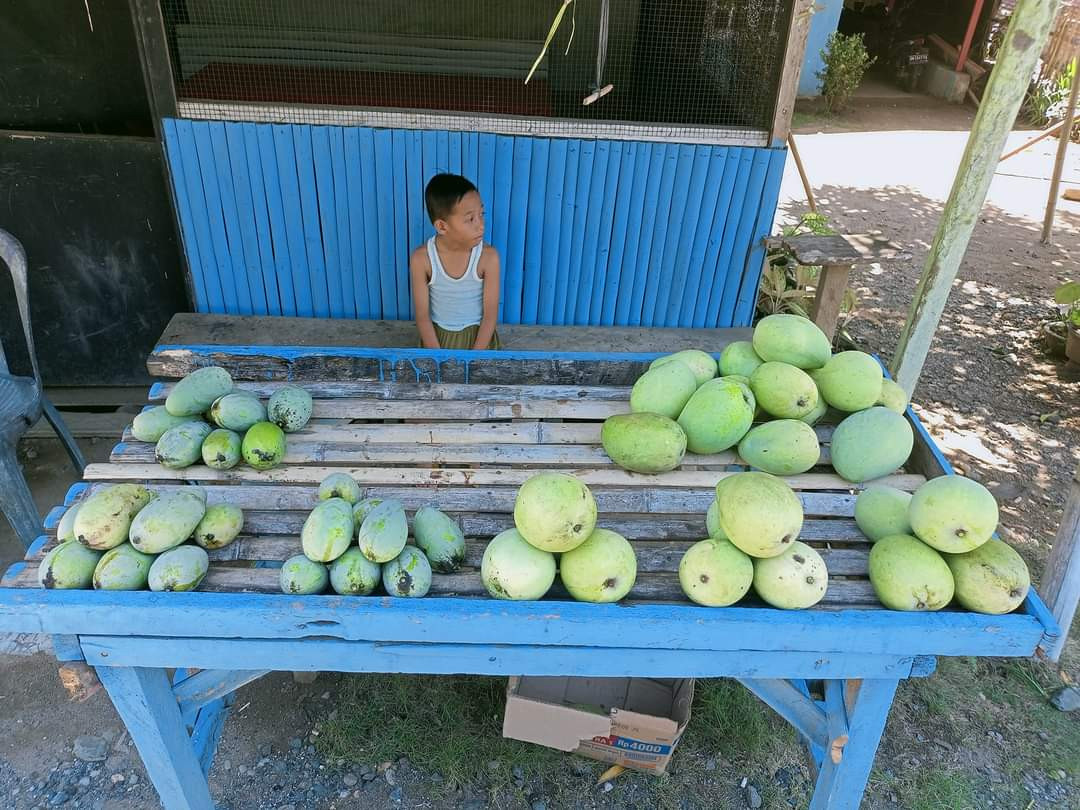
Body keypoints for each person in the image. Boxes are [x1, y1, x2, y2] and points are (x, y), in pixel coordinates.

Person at [410, 173, 501, 350]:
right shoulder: (422, 259)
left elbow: (490, 316)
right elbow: (422, 316)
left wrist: (474, 358)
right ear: (442, 226)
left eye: (482, 214)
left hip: (479, 341)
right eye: (470, 219)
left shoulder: (488, 257)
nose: (481, 224)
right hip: (436, 341)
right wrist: (438, 358)